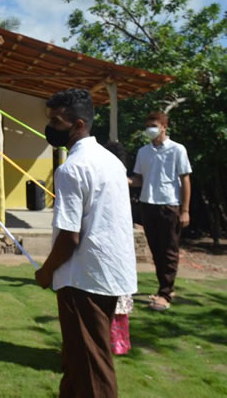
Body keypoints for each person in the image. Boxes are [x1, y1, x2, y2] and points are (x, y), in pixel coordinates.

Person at [35, 89, 137, 398]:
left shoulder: (71, 168)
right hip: (107, 275)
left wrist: (46, 272)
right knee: (77, 361)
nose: (52, 127)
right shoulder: (110, 161)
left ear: (78, 124)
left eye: (57, 121)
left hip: (84, 280)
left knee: (93, 368)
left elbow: (69, 237)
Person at [130, 111, 192, 311]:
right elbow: (138, 179)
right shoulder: (143, 152)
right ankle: (164, 288)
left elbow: (185, 180)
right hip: (147, 204)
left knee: (169, 251)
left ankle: (165, 294)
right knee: (156, 250)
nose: (151, 129)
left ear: (164, 126)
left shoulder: (176, 150)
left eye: (154, 125)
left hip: (169, 205)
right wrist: (122, 179)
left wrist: (185, 210)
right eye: (148, 125)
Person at [103, 141, 135, 356]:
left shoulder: (113, 179)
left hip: (112, 246)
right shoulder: (119, 178)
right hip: (120, 248)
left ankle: (111, 343)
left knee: (110, 303)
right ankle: (117, 344)